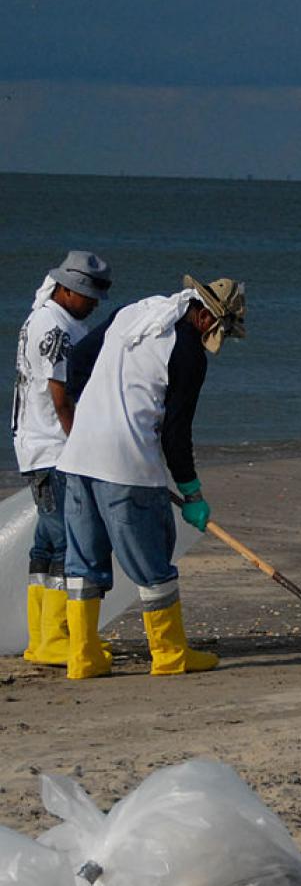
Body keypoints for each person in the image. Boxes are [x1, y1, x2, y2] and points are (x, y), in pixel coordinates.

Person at [56, 276, 246, 679]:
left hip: (77, 457)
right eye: (222, 329)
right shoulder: (189, 352)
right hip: (127, 468)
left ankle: (83, 657)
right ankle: (170, 654)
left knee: (84, 563)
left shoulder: (133, 313)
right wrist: (191, 491)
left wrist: (93, 409)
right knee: (152, 563)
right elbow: (177, 433)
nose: (219, 337)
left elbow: (77, 361)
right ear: (207, 315)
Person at [11, 251, 112, 665]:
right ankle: (55, 636)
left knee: (47, 541)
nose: (94, 303)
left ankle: (43, 637)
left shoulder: (45, 317)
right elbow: (60, 393)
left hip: (34, 444)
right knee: (67, 540)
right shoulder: (55, 326)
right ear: (66, 289)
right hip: (52, 446)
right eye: (88, 295)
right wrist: (80, 443)